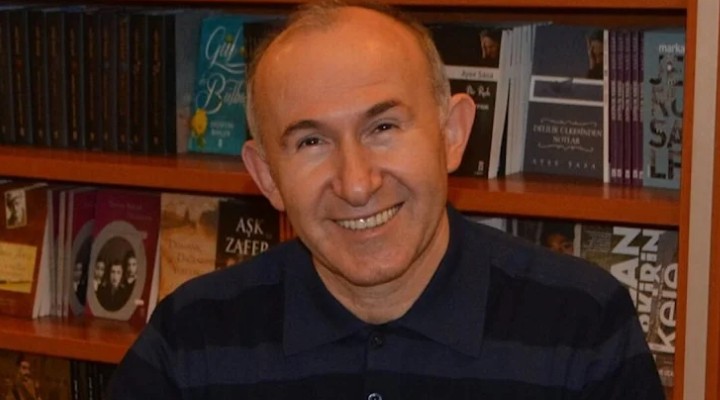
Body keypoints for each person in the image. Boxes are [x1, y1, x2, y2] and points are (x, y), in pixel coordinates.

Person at [109, 1, 664, 399]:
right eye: (311, 142)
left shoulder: (583, 325)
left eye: (383, 128)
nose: (357, 184)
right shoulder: (191, 339)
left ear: (452, 134)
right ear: (267, 177)